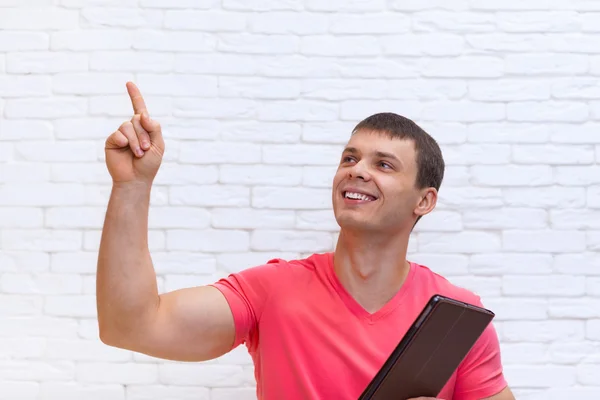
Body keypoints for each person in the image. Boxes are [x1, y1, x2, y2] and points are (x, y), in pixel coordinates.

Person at [97, 82, 515, 400]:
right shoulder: (271, 290)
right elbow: (130, 327)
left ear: (424, 200)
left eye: (383, 164)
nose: (356, 170)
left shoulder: (457, 318)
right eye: (349, 158)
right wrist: (132, 187)